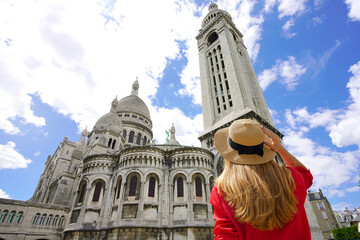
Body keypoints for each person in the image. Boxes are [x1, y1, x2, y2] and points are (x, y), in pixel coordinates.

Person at [210, 119, 313, 240]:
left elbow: (224, 236)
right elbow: (305, 174)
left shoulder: (222, 190)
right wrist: (280, 149)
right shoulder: (292, 178)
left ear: (229, 152)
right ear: (265, 147)